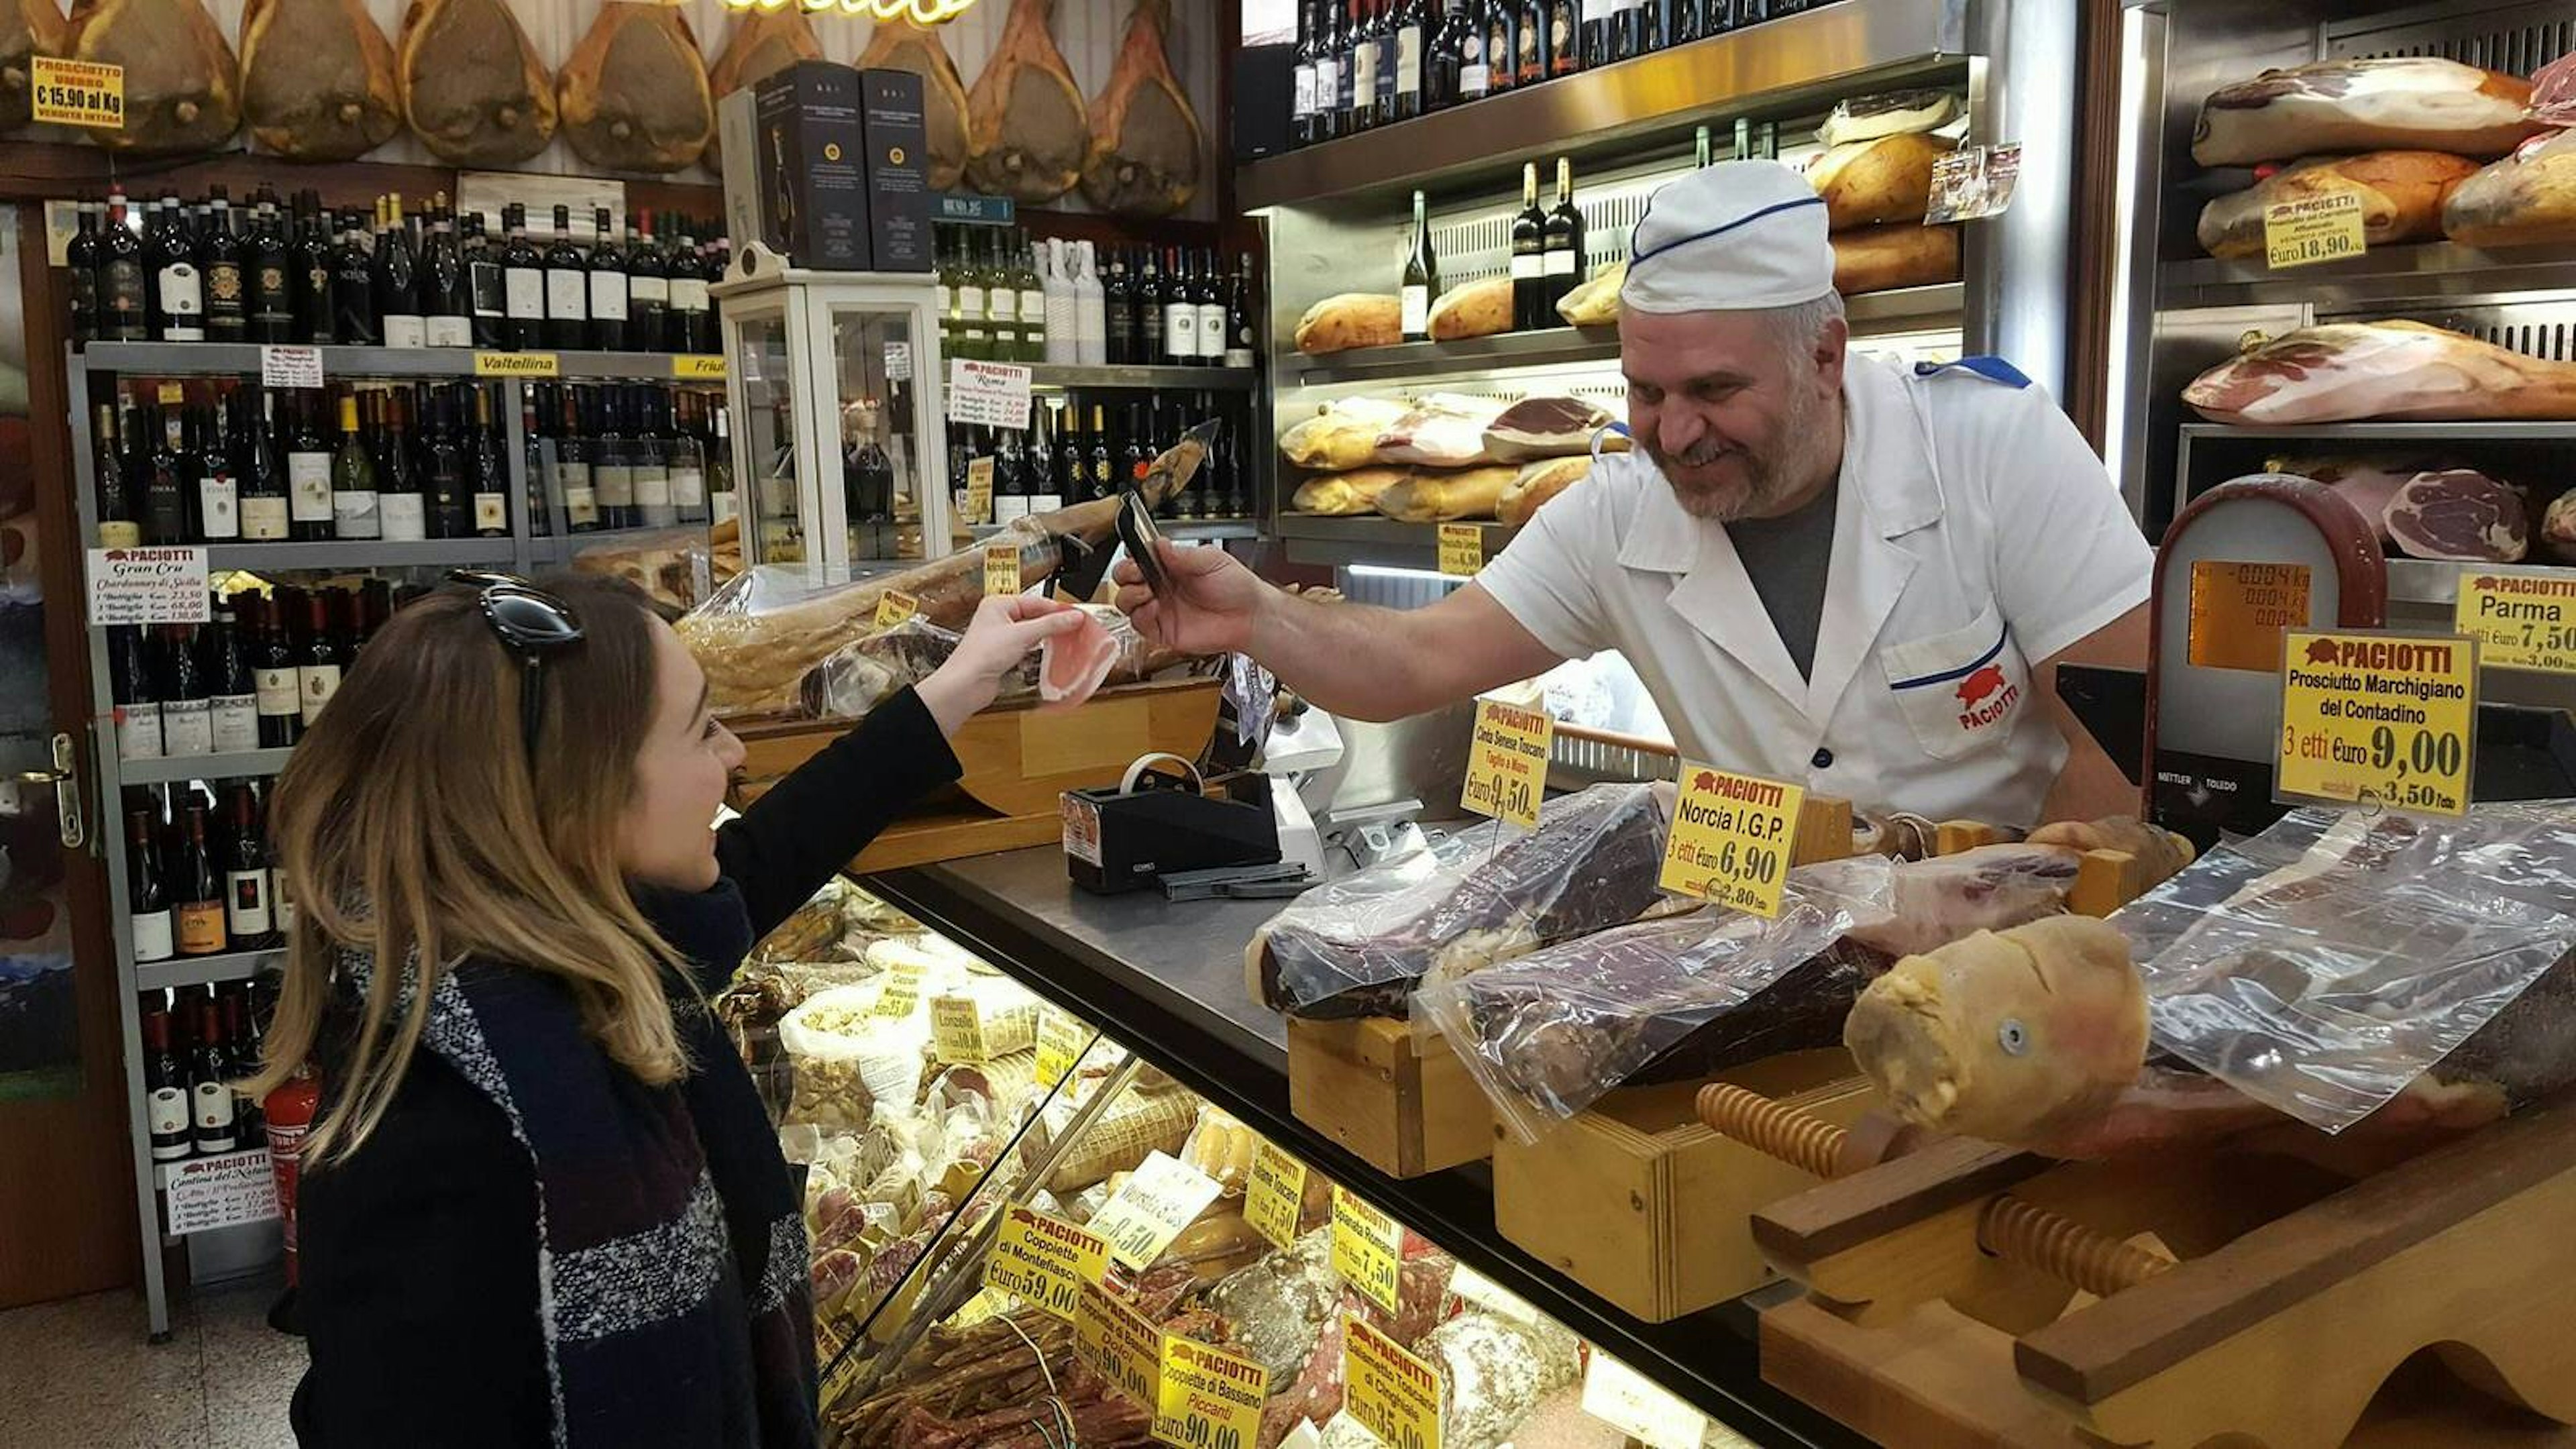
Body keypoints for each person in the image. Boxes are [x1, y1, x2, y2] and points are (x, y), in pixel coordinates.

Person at [246, 572, 1084, 1448]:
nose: (736, 757)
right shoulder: (447, 1146)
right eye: (700, 729)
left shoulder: (548, 962)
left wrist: (961, 682)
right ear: (579, 803)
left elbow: (762, 857)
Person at [1120, 161, 2150, 828]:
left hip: (2008, 970)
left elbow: (2128, 733)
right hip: (1765, 960)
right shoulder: (1618, 511)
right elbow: (1416, 660)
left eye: (1716, 390)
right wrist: (1253, 616)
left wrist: (2013, 941)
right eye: (1646, 392)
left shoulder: (1993, 449)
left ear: (1827, 356)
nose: (1676, 432)